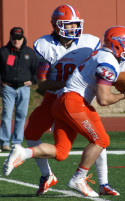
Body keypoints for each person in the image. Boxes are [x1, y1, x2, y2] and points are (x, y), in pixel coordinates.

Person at [3, 25, 125, 197]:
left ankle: (23, 152)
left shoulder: (101, 55)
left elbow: (111, 76)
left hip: (61, 101)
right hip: (74, 102)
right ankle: (79, 178)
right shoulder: (107, 60)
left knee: (61, 152)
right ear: (117, 45)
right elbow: (103, 99)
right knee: (101, 140)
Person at [22, 5, 118, 196]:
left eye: (75, 24)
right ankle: (46, 175)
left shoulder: (89, 42)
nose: (73, 28)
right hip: (55, 95)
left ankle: (104, 182)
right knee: (32, 132)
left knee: (97, 137)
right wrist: (67, 84)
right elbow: (41, 83)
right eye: (68, 24)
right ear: (56, 26)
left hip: (77, 97)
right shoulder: (45, 45)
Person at [0, 27, 38, 151]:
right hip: (8, 88)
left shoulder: (29, 53)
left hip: (24, 88)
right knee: (7, 114)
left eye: (19, 39)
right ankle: (4, 142)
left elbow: (36, 70)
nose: (16, 41)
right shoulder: (3, 52)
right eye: (14, 38)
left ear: (23, 38)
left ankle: (16, 143)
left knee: (21, 115)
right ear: (10, 38)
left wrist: (32, 81)